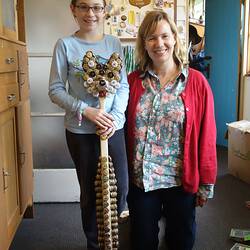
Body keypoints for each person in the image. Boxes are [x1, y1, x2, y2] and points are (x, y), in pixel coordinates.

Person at [126, 10, 217, 250]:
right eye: (152, 38)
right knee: (142, 241)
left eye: (165, 36)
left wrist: (206, 182)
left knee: (181, 240)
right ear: (144, 43)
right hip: (141, 182)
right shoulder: (132, 81)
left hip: (180, 181)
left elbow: (207, 136)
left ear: (175, 38)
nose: (159, 44)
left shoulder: (196, 82)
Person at [48, 0, 129, 249]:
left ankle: (117, 242)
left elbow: (123, 86)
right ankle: (94, 244)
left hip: (113, 130)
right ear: (73, 9)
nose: (90, 13)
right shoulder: (65, 45)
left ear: (105, 10)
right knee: (92, 195)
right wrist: (87, 110)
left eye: (96, 7)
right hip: (81, 132)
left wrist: (114, 119)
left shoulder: (114, 43)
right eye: (83, 6)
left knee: (120, 190)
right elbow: (55, 90)